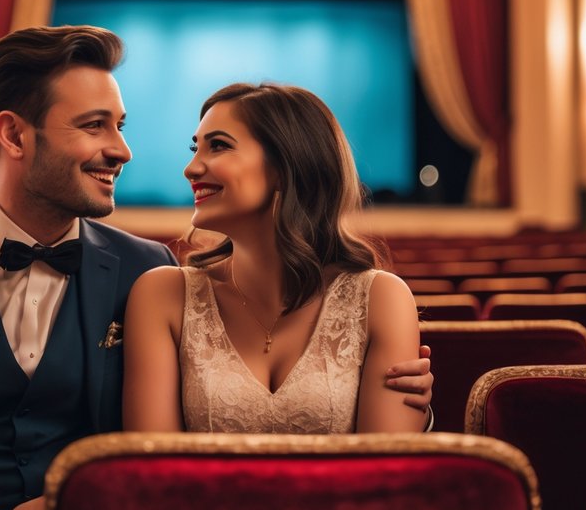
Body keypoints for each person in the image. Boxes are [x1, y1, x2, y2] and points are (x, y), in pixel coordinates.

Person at [0, 26, 432, 510]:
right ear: (14, 135)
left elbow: (151, 465)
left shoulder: (144, 271)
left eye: (120, 124)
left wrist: (399, 401)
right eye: (96, 126)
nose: (123, 150)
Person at [124, 82, 425, 433]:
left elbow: (384, 473)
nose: (191, 168)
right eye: (195, 148)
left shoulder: (381, 298)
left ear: (286, 165)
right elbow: (152, 469)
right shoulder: (162, 295)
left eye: (218, 146)